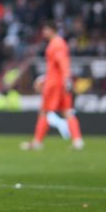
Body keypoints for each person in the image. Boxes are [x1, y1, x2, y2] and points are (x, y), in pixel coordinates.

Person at [23, 23, 84, 151]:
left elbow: (62, 62)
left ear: (52, 30)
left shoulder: (56, 44)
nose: (44, 32)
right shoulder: (59, 43)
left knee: (44, 111)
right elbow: (58, 66)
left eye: (45, 29)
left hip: (55, 84)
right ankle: (77, 140)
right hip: (59, 82)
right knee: (67, 111)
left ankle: (37, 142)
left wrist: (65, 78)